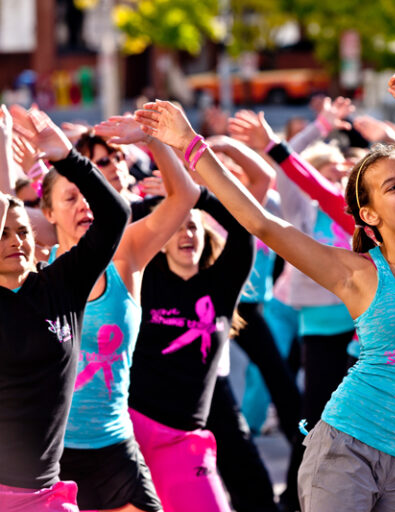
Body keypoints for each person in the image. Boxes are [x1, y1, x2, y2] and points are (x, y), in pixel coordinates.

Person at [134, 67, 395, 511]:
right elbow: (264, 222)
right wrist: (191, 144)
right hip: (348, 451)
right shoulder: (356, 273)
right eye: (391, 187)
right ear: (370, 215)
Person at [41, 114, 199, 512]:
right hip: (48, 457)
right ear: (47, 212)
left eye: (88, 195)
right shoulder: (35, 272)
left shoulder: (125, 254)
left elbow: (184, 197)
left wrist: (152, 141)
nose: (83, 205)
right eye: (69, 197)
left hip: (114, 450)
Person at [0, 108, 130, 510]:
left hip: (48, 493)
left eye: (22, 230)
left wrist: (68, 158)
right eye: (2, 233)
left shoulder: (61, 286)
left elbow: (116, 216)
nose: (15, 239)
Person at [126, 164, 254, 512]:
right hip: (129, 431)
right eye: (178, 227)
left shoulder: (221, 286)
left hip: (184, 439)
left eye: (193, 226)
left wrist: (198, 195)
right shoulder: (144, 279)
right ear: (161, 240)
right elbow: (120, 225)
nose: (187, 234)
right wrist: (161, 200)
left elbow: (244, 230)